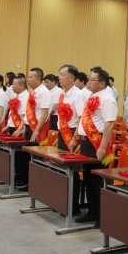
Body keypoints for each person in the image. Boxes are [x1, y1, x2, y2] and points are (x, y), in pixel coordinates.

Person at [69, 69, 117, 229]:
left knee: (98, 182)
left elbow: (109, 124)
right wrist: (78, 138)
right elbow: (85, 119)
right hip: (87, 143)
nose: (89, 82)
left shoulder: (108, 99)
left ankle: (104, 216)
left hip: (98, 144)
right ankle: (92, 211)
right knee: (89, 179)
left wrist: (102, 147)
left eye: (92, 80)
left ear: (102, 83)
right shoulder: (92, 96)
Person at [12, 68, 52, 189]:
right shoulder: (33, 92)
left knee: (37, 157)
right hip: (29, 128)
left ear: (39, 79)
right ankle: (26, 180)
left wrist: (37, 130)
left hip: (38, 129)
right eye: (28, 77)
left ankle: (36, 184)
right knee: (26, 156)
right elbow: (28, 113)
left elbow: (44, 113)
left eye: (31, 77)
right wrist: (22, 128)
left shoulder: (44, 92)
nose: (28, 80)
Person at [57, 65, 85, 216]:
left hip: (73, 136)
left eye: (62, 74)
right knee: (62, 171)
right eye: (59, 74)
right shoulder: (62, 94)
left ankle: (73, 207)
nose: (59, 77)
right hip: (62, 134)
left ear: (72, 78)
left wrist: (75, 138)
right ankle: (63, 203)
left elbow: (81, 118)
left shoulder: (78, 95)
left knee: (72, 172)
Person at [2, 75, 29, 187]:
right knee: (16, 155)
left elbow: (24, 116)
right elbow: (12, 113)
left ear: (22, 85)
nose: (12, 86)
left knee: (22, 155)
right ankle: (17, 176)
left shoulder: (26, 97)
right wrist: (7, 126)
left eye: (14, 84)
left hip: (20, 129)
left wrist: (20, 129)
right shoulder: (15, 96)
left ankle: (23, 179)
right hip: (13, 127)